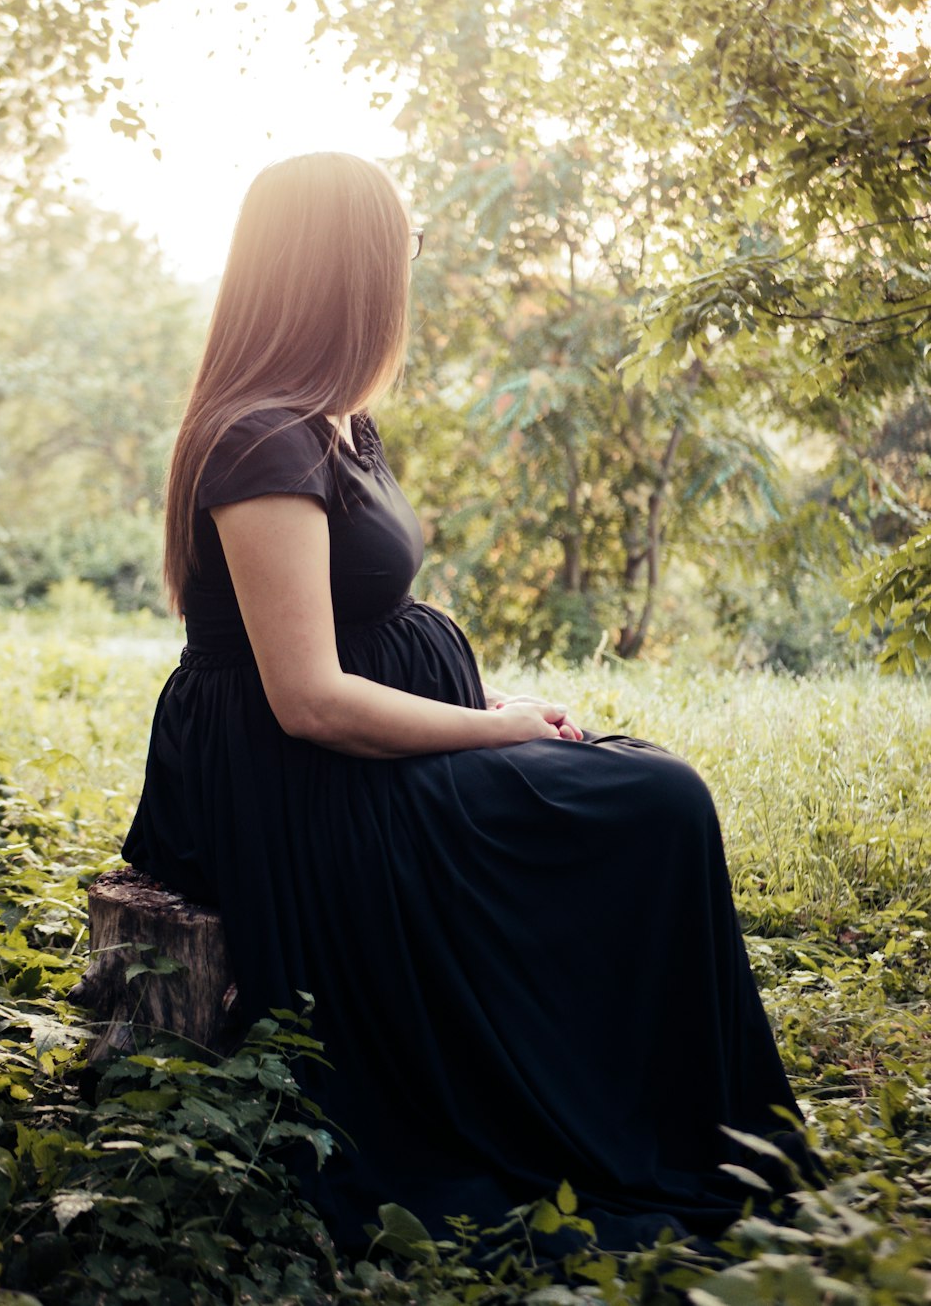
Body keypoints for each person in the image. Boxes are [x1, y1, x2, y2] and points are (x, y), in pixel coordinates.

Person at [122, 151, 815, 1257]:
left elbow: (360, 614)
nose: (411, 265)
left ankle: (671, 1116)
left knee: (635, 783)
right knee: (654, 801)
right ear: (342, 268)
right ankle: (642, 1122)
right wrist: (493, 726)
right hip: (308, 785)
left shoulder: (336, 421)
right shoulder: (261, 440)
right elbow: (307, 698)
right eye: (402, 244)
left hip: (372, 749)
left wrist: (491, 696)